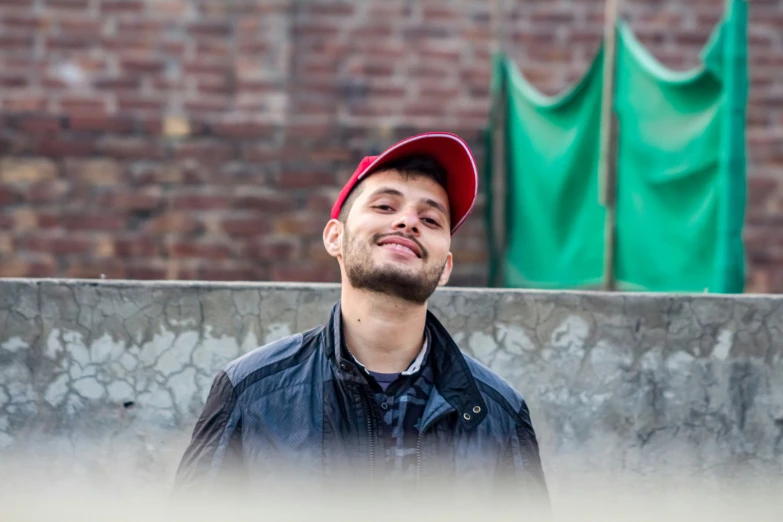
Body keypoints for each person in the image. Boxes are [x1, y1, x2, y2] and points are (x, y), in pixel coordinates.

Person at [174, 132, 548, 504]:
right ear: (335, 237)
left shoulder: (499, 412)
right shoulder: (250, 393)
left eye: (431, 219)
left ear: (445, 266)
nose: (408, 222)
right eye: (385, 207)